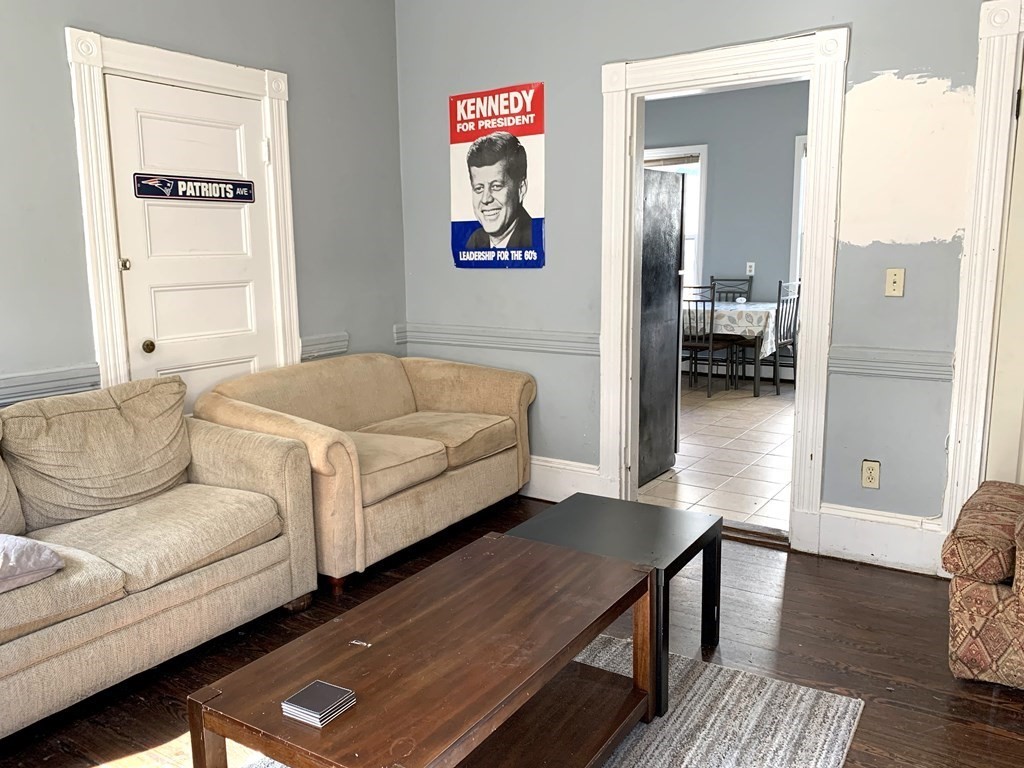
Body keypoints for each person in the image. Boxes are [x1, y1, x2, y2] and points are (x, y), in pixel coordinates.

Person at [464, 132, 532, 249]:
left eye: (496, 186)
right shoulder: (475, 242)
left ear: (521, 189)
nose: (486, 199)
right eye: (479, 188)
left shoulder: (534, 240)